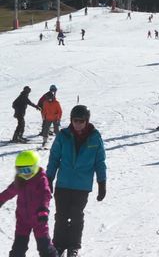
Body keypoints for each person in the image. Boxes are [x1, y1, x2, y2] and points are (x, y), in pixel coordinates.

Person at [47, 105, 107, 257]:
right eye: (75, 120)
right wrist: (49, 178)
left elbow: (100, 162)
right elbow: (54, 158)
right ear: (71, 120)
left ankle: (73, 246)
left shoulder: (95, 137)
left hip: (82, 185)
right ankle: (59, 245)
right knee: (60, 216)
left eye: (81, 121)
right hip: (63, 183)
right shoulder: (63, 135)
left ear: (87, 121)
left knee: (76, 216)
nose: (78, 124)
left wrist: (102, 183)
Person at [0, 150, 59, 257]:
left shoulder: (41, 180)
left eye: (27, 170)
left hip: (39, 219)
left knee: (44, 246)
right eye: (20, 170)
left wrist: (43, 211)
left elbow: (45, 195)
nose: (24, 174)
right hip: (22, 219)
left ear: (35, 167)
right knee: (18, 248)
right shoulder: (20, 180)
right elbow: (9, 192)